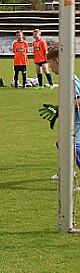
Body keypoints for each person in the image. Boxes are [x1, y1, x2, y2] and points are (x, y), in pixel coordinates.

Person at [39, 47, 80, 179]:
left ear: (56, 60)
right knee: (62, 144)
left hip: (77, 123)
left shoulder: (70, 79)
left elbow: (79, 100)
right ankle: (68, 172)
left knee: (74, 146)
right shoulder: (66, 77)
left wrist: (60, 108)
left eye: (49, 62)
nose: (49, 66)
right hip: (72, 120)